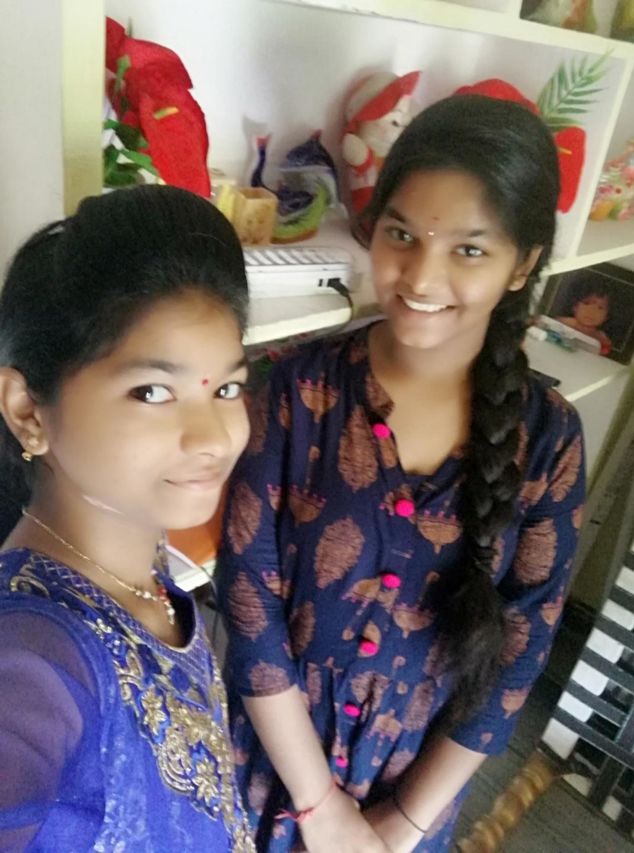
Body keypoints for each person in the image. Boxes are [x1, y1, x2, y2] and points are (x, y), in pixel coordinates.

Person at [217, 94, 586, 852]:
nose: (421, 274)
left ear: (524, 264)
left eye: (469, 250)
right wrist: (321, 809)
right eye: (402, 234)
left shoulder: (549, 441)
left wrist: (402, 826)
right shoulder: (294, 391)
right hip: (268, 773)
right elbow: (250, 605)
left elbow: (518, 655)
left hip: (413, 799)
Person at [0, 185, 256, 851]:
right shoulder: (33, 656)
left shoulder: (144, 566)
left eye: (227, 387)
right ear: (28, 410)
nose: (212, 435)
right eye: (152, 391)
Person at [556, 283, 612, 355]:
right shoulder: (563, 322)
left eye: (600, 308)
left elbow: (604, 353)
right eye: (586, 303)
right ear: (575, 307)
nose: (592, 311)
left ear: (606, 317)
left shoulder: (601, 338)